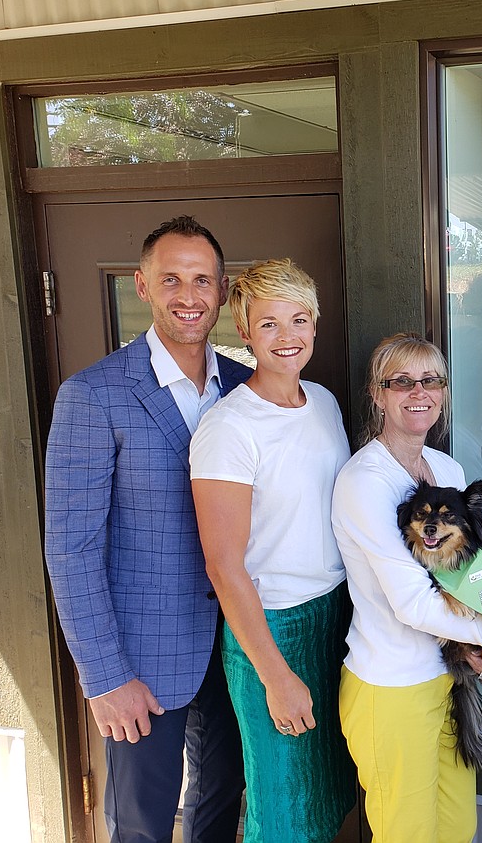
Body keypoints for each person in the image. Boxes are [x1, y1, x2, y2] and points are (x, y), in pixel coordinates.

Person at [44, 215, 248, 843]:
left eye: (203, 281)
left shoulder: (244, 389)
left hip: (236, 642)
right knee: (141, 823)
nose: (189, 296)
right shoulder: (93, 395)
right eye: (172, 280)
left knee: (222, 803)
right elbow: (72, 549)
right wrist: (104, 675)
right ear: (142, 285)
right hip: (143, 658)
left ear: (221, 291)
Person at [188, 258, 356, 842]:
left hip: (336, 616)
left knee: (330, 787)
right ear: (244, 332)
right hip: (272, 628)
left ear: (315, 325)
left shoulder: (327, 404)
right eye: (269, 325)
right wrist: (276, 676)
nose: (287, 338)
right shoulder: (229, 428)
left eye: (299, 320)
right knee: (281, 803)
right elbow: (223, 566)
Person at [332, 332, 482, 843]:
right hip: (391, 688)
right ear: (377, 395)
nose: (417, 392)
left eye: (430, 380)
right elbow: (412, 603)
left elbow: (474, 572)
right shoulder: (366, 481)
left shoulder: (445, 469)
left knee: (456, 829)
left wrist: (475, 645)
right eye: (400, 381)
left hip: (447, 677)